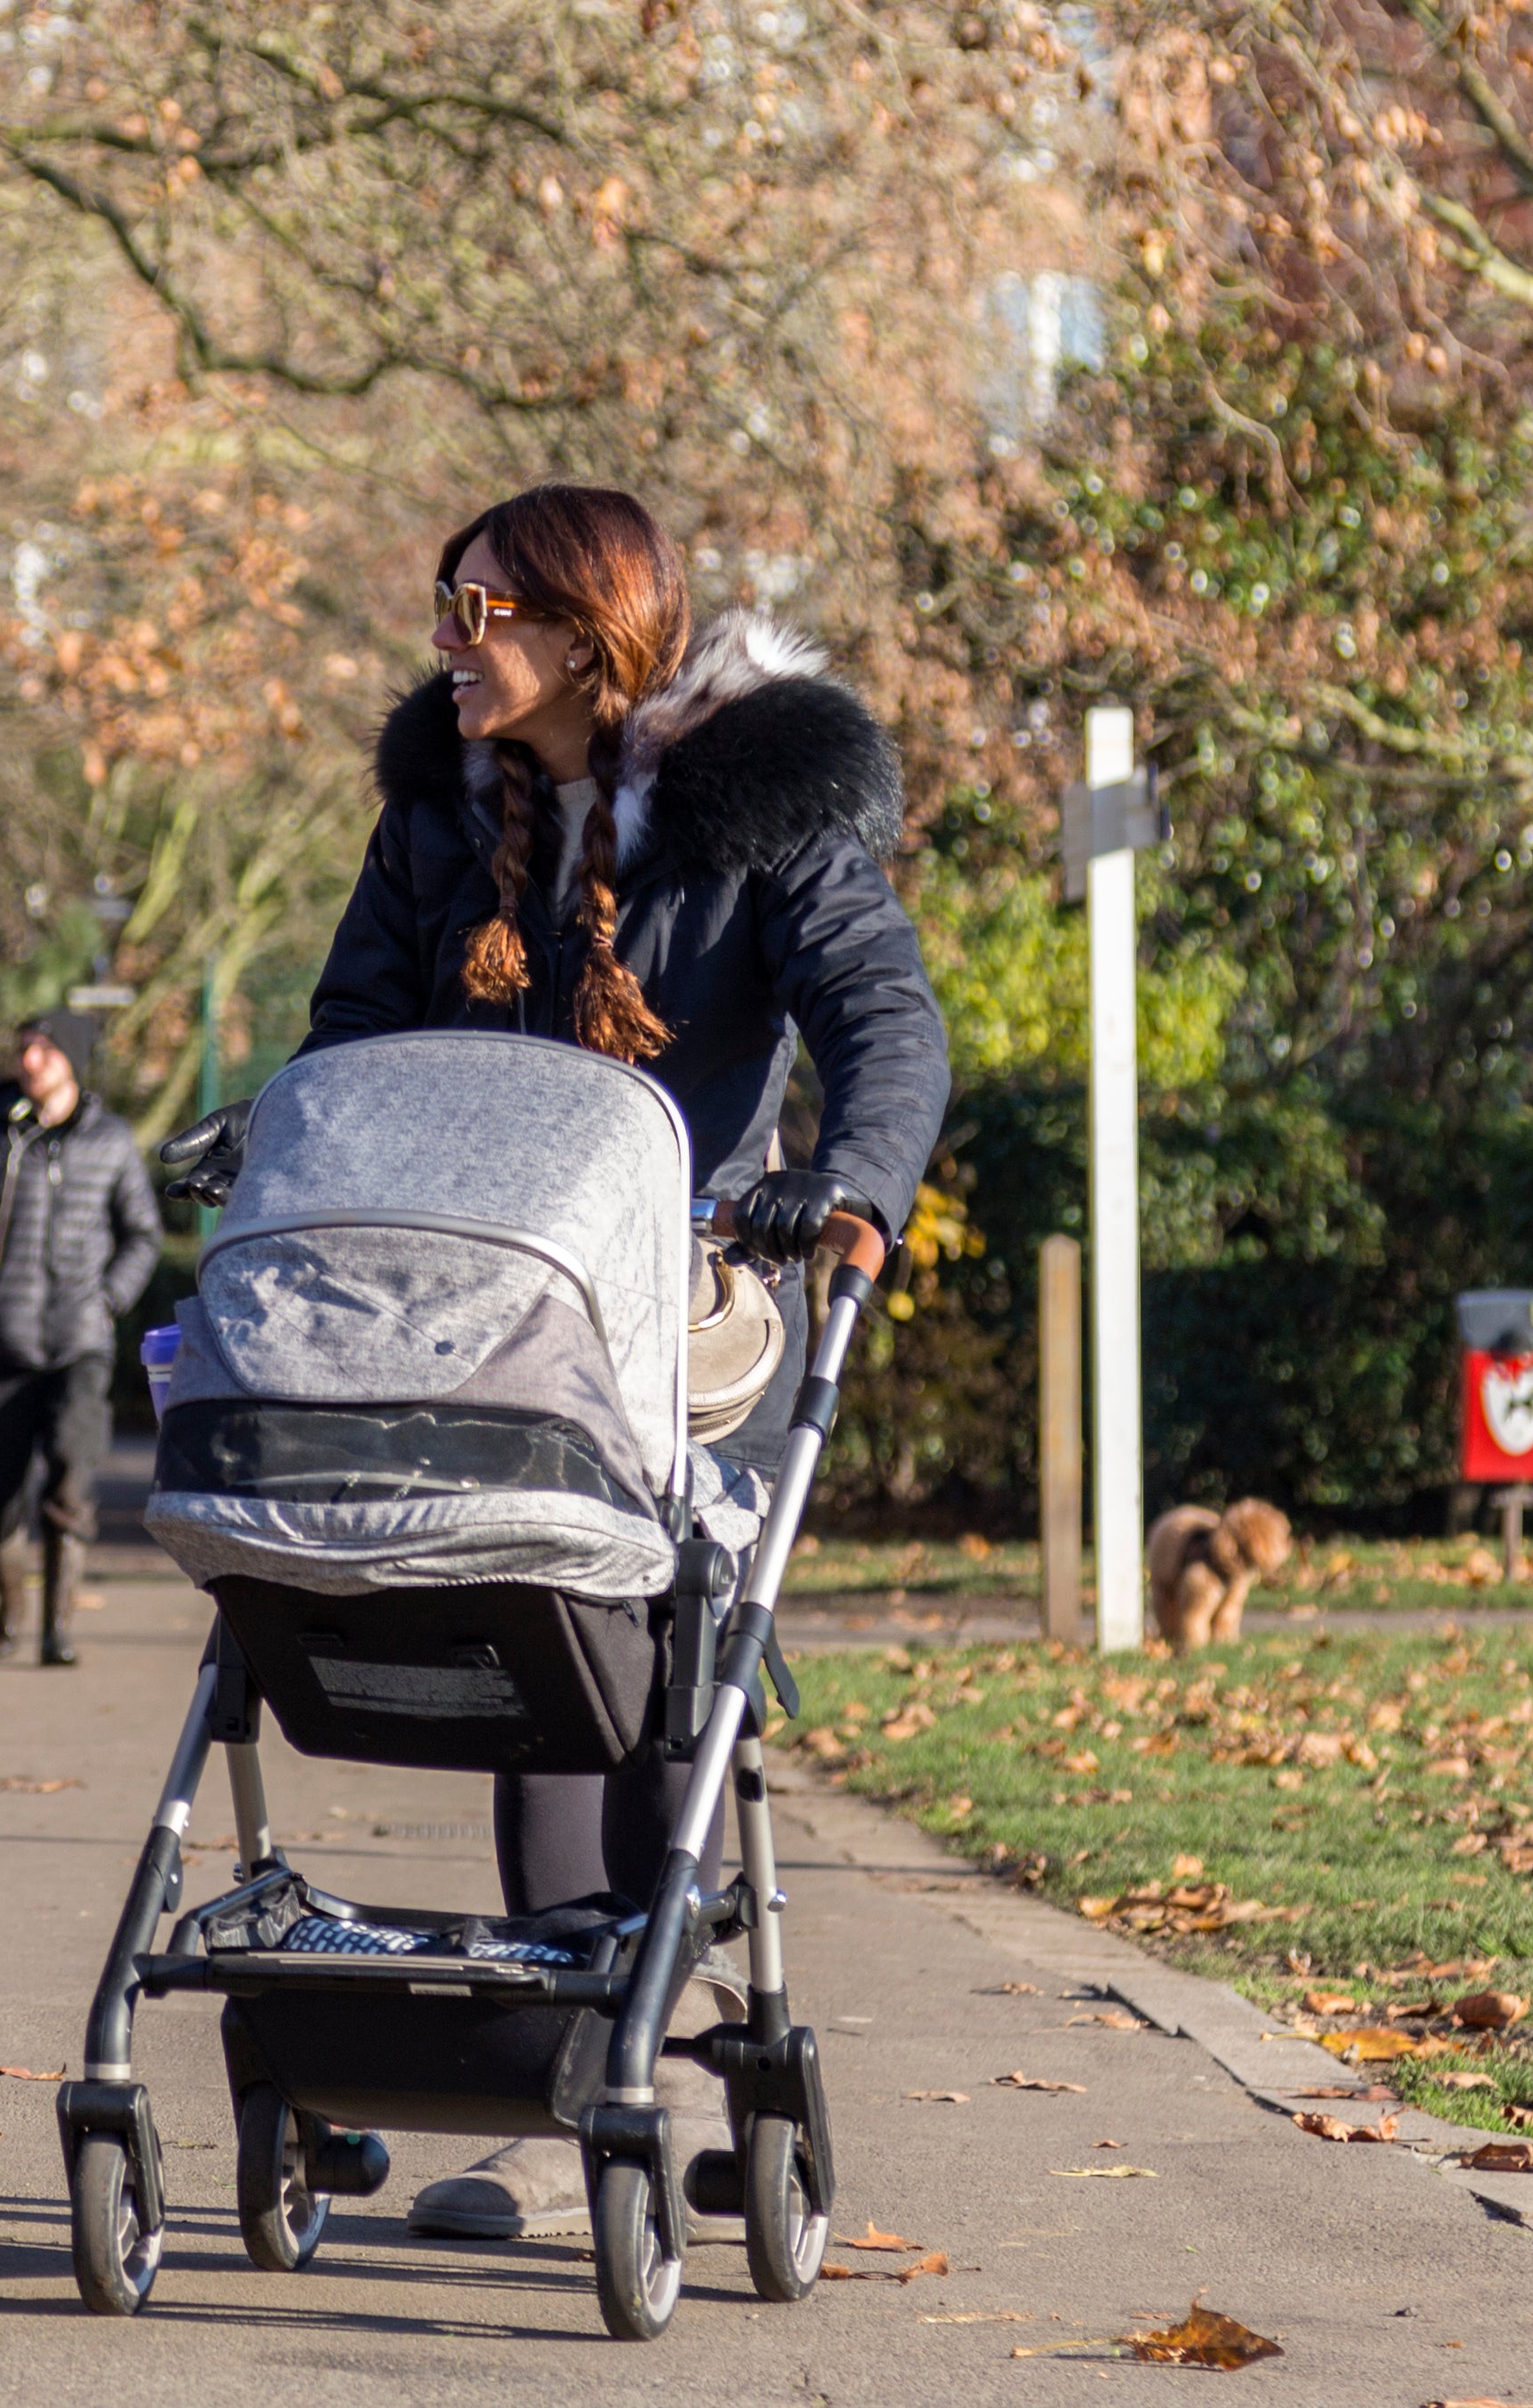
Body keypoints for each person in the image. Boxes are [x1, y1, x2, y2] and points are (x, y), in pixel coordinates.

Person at [161, 484, 949, 2240]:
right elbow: (356, 1028)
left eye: (481, 610)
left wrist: (854, 1188)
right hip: (461, 1287)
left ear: (589, 641)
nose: (448, 640)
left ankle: (606, 2062)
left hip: (685, 1282)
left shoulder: (762, 814)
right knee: (519, 1561)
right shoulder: (441, 811)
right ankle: (542, 2042)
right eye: (443, 605)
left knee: (614, 1595)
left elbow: (882, 1015)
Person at [0, 1012, 162, 1663]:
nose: (29, 1060)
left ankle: (57, 1630)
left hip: (79, 1348)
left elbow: (142, 1233)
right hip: (1, 1346)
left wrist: (110, 1298)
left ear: (74, 1062)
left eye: (45, 1050)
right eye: (25, 1048)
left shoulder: (111, 1141)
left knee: (69, 1485)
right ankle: (11, 1606)